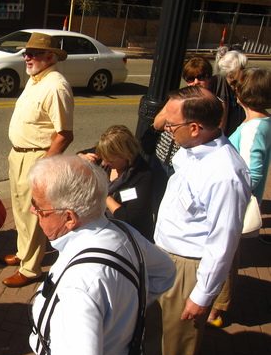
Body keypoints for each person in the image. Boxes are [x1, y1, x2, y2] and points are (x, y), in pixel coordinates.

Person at [28, 155, 176, 355]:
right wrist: (125, 307)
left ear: (69, 218)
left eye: (39, 207)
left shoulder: (78, 286)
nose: (32, 211)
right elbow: (166, 272)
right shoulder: (124, 232)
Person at [141, 86, 251, 355]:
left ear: (194, 128)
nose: (166, 129)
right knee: (154, 334)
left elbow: (223, 243)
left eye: (171, 124)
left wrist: (202, 295)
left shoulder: (226, 174)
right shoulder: (190, 149)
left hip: (187, 268)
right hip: (163, 254)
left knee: (176, 346)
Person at [2, 32, 74, 288]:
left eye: (33, 53)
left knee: (33, 214)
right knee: (20, 210)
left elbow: (65, 134)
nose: (27, 57)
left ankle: (30, 269)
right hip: (18, 155)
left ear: (50, 57)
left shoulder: (56, 86)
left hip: (36, 157)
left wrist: (43, 166)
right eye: (26, 53)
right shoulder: (36, 80)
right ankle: (24, 253)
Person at [207, 67, 271, 325]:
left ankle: (216, 310)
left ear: (244, 95)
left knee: (223, 254)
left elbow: (252, 173)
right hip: (237, 200)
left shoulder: (253, 128)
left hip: (235, 203)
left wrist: (231, 195)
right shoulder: (262, 122)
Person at [146, 57, 215, 215]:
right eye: (190, 78)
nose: (195, 82)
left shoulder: (212, 105)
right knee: (157, 201)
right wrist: (175, 108)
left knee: (178, 206)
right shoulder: (177, 99)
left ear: (209, 78)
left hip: (185, 163)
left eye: (201, 77)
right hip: (162, 158)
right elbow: (157, 124)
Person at [79, 125, 155, 241]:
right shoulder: (106, 152)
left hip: (127, 236)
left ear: (125, 156)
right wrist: (82, 157)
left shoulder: (143, 175)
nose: (104, 163)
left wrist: (103, 194)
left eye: (109, 160)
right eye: (103, 157)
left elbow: (129, 219)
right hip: (99, 227)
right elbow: (78, 156)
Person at [210, 47, 248, 135]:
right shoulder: (215, 85)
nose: (244, 71)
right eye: (241, 68)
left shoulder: (244, 83)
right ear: (229, 72)